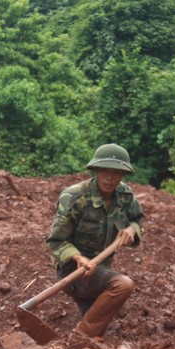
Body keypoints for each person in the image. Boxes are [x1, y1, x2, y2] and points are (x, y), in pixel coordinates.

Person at [46, 143, 143, 338]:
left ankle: (84, 338)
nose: (109, 178)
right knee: (123, 285)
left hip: (101, 269)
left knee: (97, 328)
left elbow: (136, 218)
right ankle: (80, 338)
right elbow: (56, 241)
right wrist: (78, 258)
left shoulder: (125, 196)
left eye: (116, 173)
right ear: (96, 170)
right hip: (74, 271)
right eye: (104, 171)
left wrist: (132, 229)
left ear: (123, 174)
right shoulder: (74, 197)